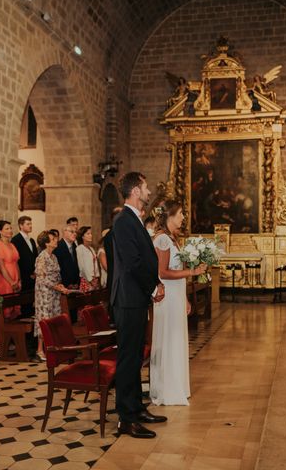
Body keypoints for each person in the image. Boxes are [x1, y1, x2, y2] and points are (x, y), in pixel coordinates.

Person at [111, 171, 166, 439]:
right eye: (145, 187)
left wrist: (153, 283)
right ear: (135, 191)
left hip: (136, 297)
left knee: (134, 359)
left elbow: (145, 259)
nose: (148, 191)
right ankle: (125, 419)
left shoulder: (133, 219)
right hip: (128, 299)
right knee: (128, 359)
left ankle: (136, 408)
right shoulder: (123, 221)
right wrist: (154, 286)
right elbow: (133, 262)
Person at [150, 200, 207, 406]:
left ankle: (177, 385)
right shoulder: (162, 239)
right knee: (169, 339)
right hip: (167, 297)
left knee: (177, 339)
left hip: (176, 296)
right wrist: (192, 272)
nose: (183, 217)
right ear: (170, 216)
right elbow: (162, 272)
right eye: (181, 213)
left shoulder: (173, 239)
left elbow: (176, 271)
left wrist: (185, 298)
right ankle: (167, 389)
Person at [33, 231, 69, 361]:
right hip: (44, 293)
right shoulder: (41, 257)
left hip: (54, 293)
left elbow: (57, 276)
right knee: (44, 318)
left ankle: (52, 348)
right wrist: (55, 286)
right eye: (53, 239)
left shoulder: (53, 257)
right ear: (46, 243)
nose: (56, 241)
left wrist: (60, 286)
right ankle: (40, 350)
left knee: (54, 317)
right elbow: (41, 278)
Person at [11, 216, 38, 318]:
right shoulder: (16, 240)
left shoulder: (31, 240)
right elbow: (18, 260)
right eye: (28, 224)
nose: (30, 226)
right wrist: (26, 275)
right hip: (23, 275)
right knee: (24, 305)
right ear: (21, 226)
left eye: (31, 224)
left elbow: (35, 258)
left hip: (33, 276)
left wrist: (35, 272)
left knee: (31, 303)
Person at [0, 220, 21, 319]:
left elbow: (16, 263)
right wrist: (11, 282)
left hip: (14, 276)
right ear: (0, 231)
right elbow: (1, 267)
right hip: (5, 279)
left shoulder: (12, 245)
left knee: (15, 306)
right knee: (6, 308)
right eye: (7, 228)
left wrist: (18, 280)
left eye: (10, 228)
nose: (10, 230)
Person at [76, 225, 100, 292]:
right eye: (88, 234)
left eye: (91, 233)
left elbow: (95, 264)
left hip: (95, 279)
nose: (91, 235)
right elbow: (82, 267)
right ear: (82, 236)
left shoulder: (91, 248)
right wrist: (90, 280)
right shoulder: (80, 248)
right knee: (87, 301)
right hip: (87, 280)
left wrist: (97, 277)